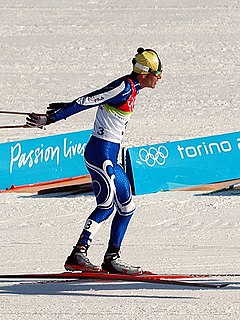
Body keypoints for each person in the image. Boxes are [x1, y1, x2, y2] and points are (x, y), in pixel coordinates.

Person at [26, 47, 162, 274]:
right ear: (145, 73)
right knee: (106, 205)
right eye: (157, 73)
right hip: (100, 154)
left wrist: (63, 107)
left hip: (111, 155)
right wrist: (51, 118)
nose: (160, 78)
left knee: (127, 205)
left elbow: (96, 95)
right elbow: (89, 100)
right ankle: (78, 254)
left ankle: (111, 258)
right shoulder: (125, 87)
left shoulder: (131, 88)